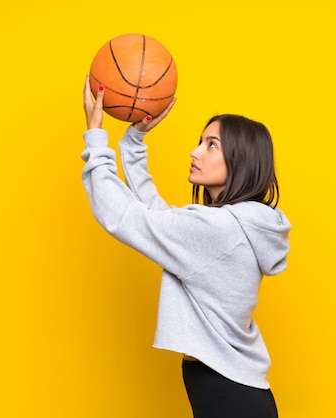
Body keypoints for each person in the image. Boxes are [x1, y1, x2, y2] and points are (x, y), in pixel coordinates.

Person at [81, 76, 291, 418]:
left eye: (211, 145)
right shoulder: (232, 225)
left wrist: (95, 137)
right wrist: (134, 142)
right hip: (233, 394)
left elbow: (125, 217)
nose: (195, 151)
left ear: (240, 160)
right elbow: (158, 220)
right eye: (200, 141)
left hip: (229, 398)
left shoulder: (220, 228)